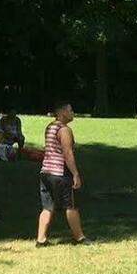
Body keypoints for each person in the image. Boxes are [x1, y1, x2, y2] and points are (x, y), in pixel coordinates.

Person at [36, 103, 91, 246]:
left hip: (45, 172)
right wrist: (75, 174)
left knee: (47, 207)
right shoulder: (64, 130)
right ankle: (79, 237)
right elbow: (67, 153)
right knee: (71, 205)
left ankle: (40, 239)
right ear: (62, 113)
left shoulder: (50, 127)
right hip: (60, 173)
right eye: (70, 110)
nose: (73, 113)